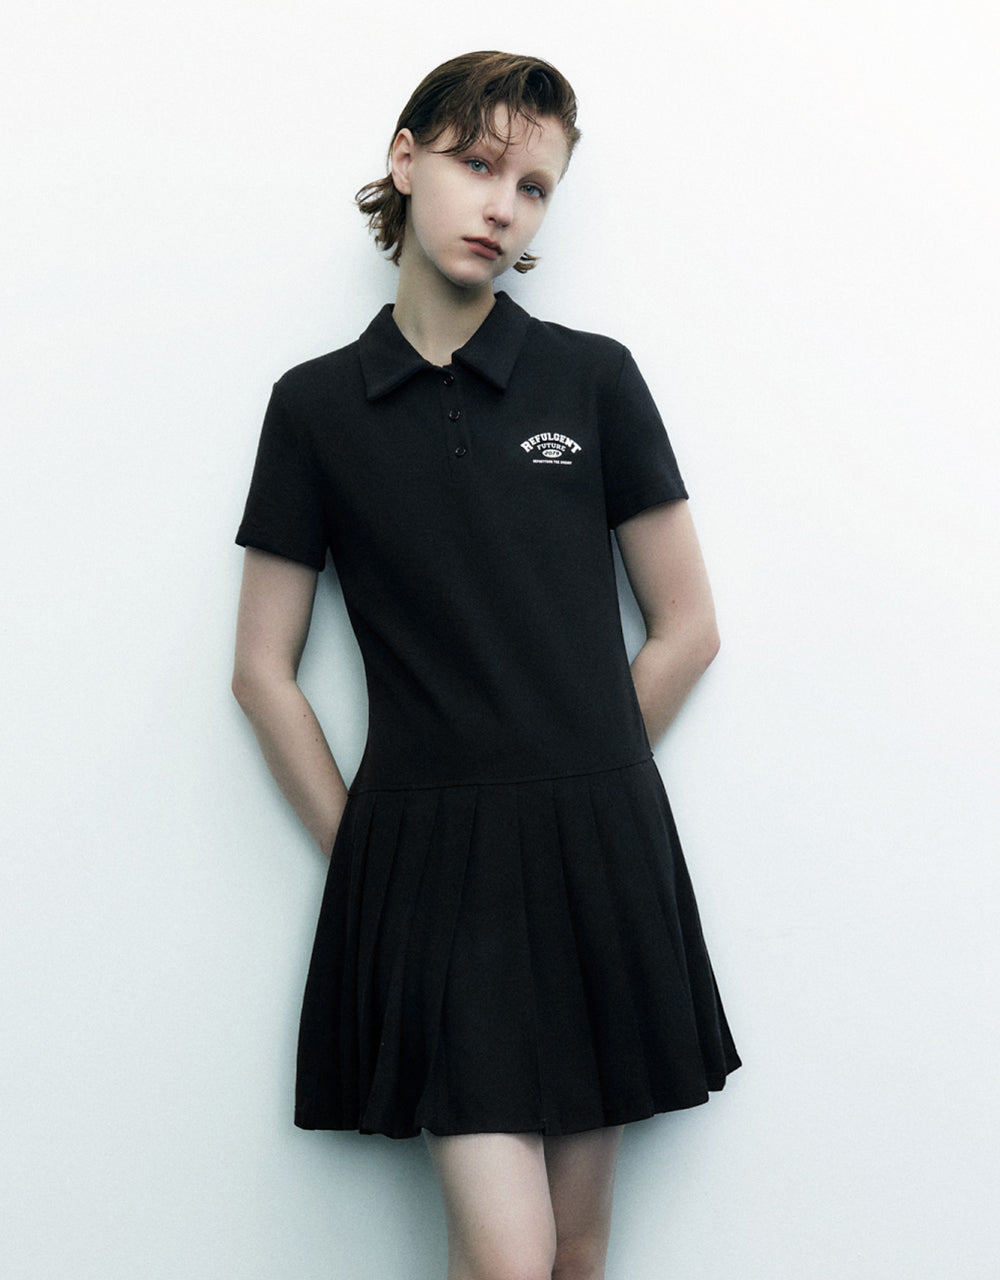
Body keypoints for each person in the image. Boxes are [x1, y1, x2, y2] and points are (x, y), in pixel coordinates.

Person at [233, 50, 739, 1280]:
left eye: (534, 185)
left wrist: (576, 780)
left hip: (596, 853)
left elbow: (687, 626)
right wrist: (370, 853)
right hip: (431, 872)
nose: (502, 204)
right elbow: (261, 668)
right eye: (475, 164)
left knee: (576, 1250)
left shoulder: (593, 377)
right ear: (405, 162)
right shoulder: (314, 408)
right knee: (510, 1256)